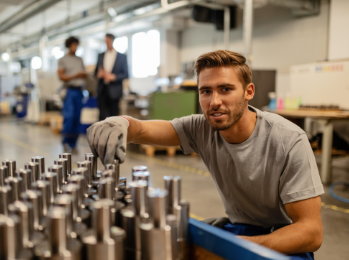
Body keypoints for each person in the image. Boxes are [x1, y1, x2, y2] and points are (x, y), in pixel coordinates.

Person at [87, 50, 324, 260]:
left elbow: (310, 233)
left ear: (248, 91)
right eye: (206, 91)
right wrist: (120, 123)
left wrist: (234, 248)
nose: (215, 102)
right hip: (239, 228)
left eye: (226, 89)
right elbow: (143, 129)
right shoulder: (201, 128)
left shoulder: (288, 140)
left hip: (285, 241)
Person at [58, 36, 87, 153]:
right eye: (73, 45)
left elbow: (84, 74)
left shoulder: (80, 60)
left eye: (77, 45)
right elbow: (61, 76)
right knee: (69, 117)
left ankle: (74, 143)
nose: (75, 48)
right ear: (69, 46)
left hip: (79, 91)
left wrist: (83, 75)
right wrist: (75, 76)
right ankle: (66, 142)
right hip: (69, 91)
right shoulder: (63, 60)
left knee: (77, 118)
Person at [94, 33, 128, 121]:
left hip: (114, 90)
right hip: (102, 90)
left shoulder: (122, 57)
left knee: (113, 116)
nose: (106, 44)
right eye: (105, 42)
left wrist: (113, 77)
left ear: (112, 41)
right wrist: (99, 74)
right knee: (102, 116)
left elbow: (126, 74)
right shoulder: (100, 56)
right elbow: (95, 72)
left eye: (108, 41)